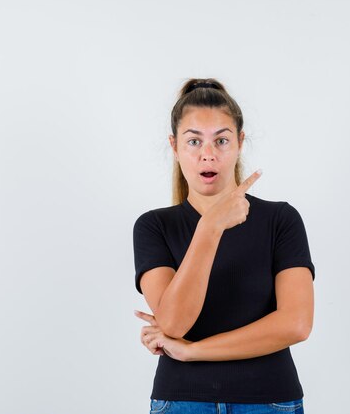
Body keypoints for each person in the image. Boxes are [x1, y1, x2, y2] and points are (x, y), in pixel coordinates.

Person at [132, 78, 315, 414]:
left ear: (240, 142)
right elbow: (173, 324)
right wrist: (210, 227)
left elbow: (296, 324)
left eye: (221, 140)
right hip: (182, 402)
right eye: (193, 141)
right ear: (174, 146)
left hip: (270, 401)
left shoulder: (280, 220)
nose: (208, 154)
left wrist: (192, 351)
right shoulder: (154, 226)